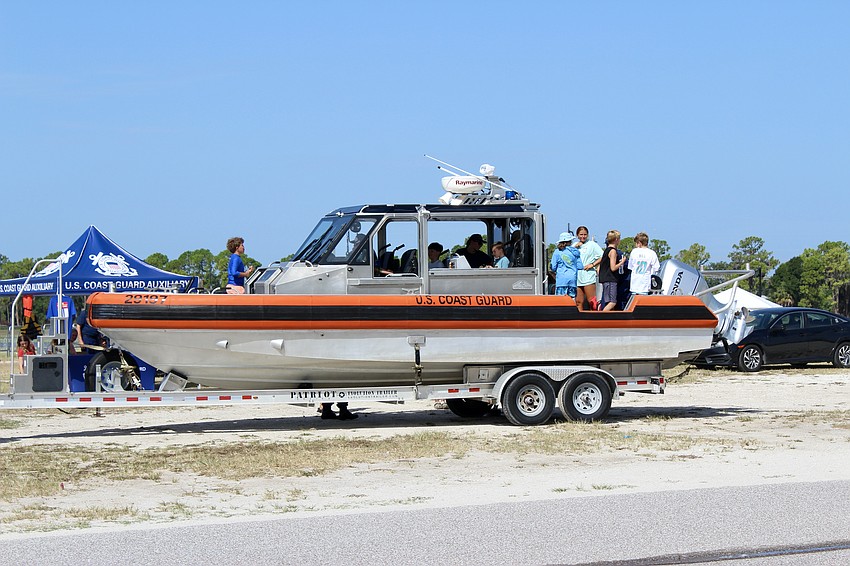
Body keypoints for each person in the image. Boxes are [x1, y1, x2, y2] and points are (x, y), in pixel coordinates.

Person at [575, 226, 604, 311]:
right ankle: (580, 320)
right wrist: (575, 248)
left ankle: (594, 320)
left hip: (588, 276)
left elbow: (603, 255)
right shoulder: (574, 245)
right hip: (578, 277)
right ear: (577, 235)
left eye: (585, 234)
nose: (583, 236)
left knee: (591, 301)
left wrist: (592, 264)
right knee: (578, 301)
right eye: (581, 234)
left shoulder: (592, 244)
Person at [599, 230, 627, 311]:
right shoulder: (613, 251)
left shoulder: (606, 250)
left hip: (605, 279)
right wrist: (622, 262)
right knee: (612, 302)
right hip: (610, 279)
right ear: (616, 239)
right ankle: (601, 317)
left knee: (608, 302)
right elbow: (613, 267)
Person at [550, 232, 583, 298]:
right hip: (572, 279)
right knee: (572, 299)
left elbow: (553, 267)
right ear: (570, 241)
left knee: (560, 300)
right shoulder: (575, 252)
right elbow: (580, 266)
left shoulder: (557, 252)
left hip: (561, 280)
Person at [628, 232, 660, 296]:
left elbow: (630, 267)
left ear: (639, 243)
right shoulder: (651, 253)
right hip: (645, 284)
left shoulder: (634, 251)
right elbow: (656, 268)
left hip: (634, 284)